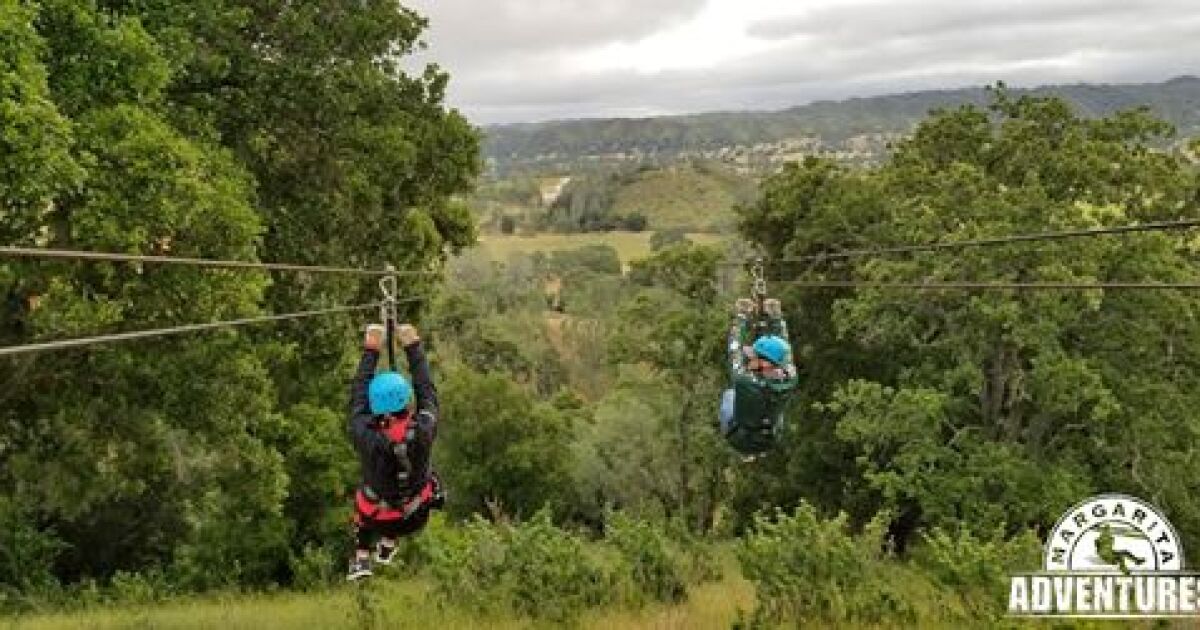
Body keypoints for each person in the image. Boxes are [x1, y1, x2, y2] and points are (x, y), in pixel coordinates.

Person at [346, 322, 444, 581]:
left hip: (378, 520)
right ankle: (389, 542)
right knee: (423, 477)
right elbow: (427, 392)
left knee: (367, 497)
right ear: (406, 400)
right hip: (416, 516)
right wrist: (413, 346)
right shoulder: (424, 428)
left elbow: (358, 398)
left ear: (375, 407)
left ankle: (362, 556)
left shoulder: (366, 435)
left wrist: (371, 349)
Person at [719, 297, 798, 459]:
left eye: (754, 357)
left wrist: (742, 317)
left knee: (729, 394)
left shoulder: (744, 380)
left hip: (739, 439)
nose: (750, 359)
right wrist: (776, 318)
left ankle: (747, 449)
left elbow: (734, 350)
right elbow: (784, 348)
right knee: (773, 406)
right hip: (770, 438)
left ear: (764, 362)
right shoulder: (791, 376)